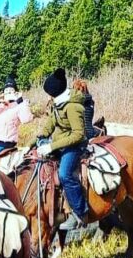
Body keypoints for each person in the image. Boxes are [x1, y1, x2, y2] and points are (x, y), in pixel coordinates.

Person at [28, 68, 88, 231]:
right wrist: (35, 142)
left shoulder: (73, 107)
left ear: (55, 92)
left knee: (64, 174)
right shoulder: (58, 104)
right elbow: (49, 126)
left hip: (75, 145)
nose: (48, 96)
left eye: (49, 93)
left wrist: (51, 146)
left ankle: (80, 213)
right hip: (61, 143)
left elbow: (78, 134)